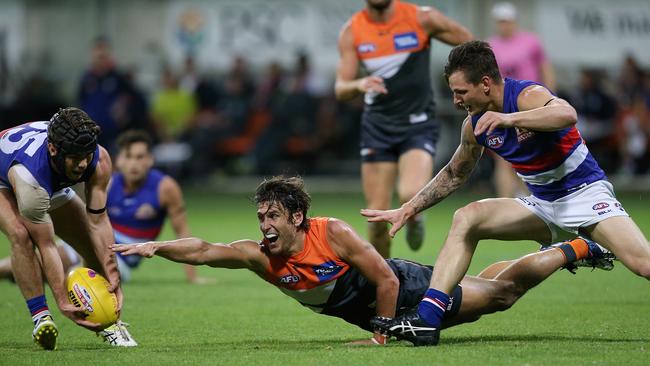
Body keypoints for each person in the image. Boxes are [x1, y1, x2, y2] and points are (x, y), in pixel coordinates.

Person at [362, 40, 650, 345]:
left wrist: (508, 118)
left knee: (643, 265)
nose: (457, 100)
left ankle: (585, 244)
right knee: (468, 217)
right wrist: (409, 208)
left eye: (461, 92)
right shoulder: (474, 126)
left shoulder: (527, 95)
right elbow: (454, 174)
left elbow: (566, 114)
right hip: (542, 204)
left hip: (586, 196)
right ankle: (428, 318)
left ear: (485, 84)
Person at [113, 176, 613, 346]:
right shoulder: (259, 258)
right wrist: (158, 248)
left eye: (274, 215)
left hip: (410, 289)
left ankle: (577, 246)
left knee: (501, 296)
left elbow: (383, 279)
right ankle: (569, 250)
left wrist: (382, 335)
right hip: (389, 304)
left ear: (298, 216)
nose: (264, 224)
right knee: (490, 287)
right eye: (261, 215)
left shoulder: (333, 233)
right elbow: (202, 249)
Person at [335, 0, 473, 257]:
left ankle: (414, 217)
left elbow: (471, 46)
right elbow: (340, 88)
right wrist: (359, 83)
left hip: (417, 123)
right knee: (376, 218)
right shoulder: (352, 31)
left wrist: (457, 82)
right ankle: (383, 280)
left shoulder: (422, 18)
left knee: (410, 193)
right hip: (377, 126)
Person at [0, 107, 136, 350]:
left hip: (50, 176)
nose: (83, 163)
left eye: (87, 154)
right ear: (54, 149)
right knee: (21, 235)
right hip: (9, 177)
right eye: (76, 157)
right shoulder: (32, 181)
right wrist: (62, 300)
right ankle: (41, 315)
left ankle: (110, 322)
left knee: (88, 242)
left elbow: (99, 221)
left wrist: (112, 271)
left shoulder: (99, 158)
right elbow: (46, 244)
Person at [0, 130, 208, 284]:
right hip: (96, 242)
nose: (134, 163)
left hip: (122, 259)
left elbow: (182, 230)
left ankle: (20, 275)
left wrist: (193, 276)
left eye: (140, 157)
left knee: (48, 270)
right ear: (119, 160)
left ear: (150, 160)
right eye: (128, 156)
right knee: (37, 261)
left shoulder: (165, 187)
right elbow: (87, 220)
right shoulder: (107, 182)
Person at [487, 2, 556, 198]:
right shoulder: (490, 45)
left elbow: (545, 69)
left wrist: (549, 98)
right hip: (503, 107)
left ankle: (532, 200)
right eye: (500, 21)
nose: (504, 25)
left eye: (507, 21)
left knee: (532, 154)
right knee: (504, 157)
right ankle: (505, 203)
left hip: (529, 105)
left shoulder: (530, 41)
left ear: (514, 21)